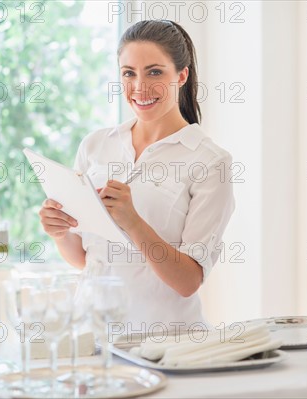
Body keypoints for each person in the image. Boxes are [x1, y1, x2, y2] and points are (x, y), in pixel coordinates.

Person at [38, 19, 235, 332]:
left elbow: (188, 281)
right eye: (129, 73)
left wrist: (133, 222)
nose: (139, 87)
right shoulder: (96, 146)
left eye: (154, 72)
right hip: (93, 338)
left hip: (164, 344)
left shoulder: (209, 162)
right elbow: (86, 259)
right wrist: (60, 231)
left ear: (181, 75)